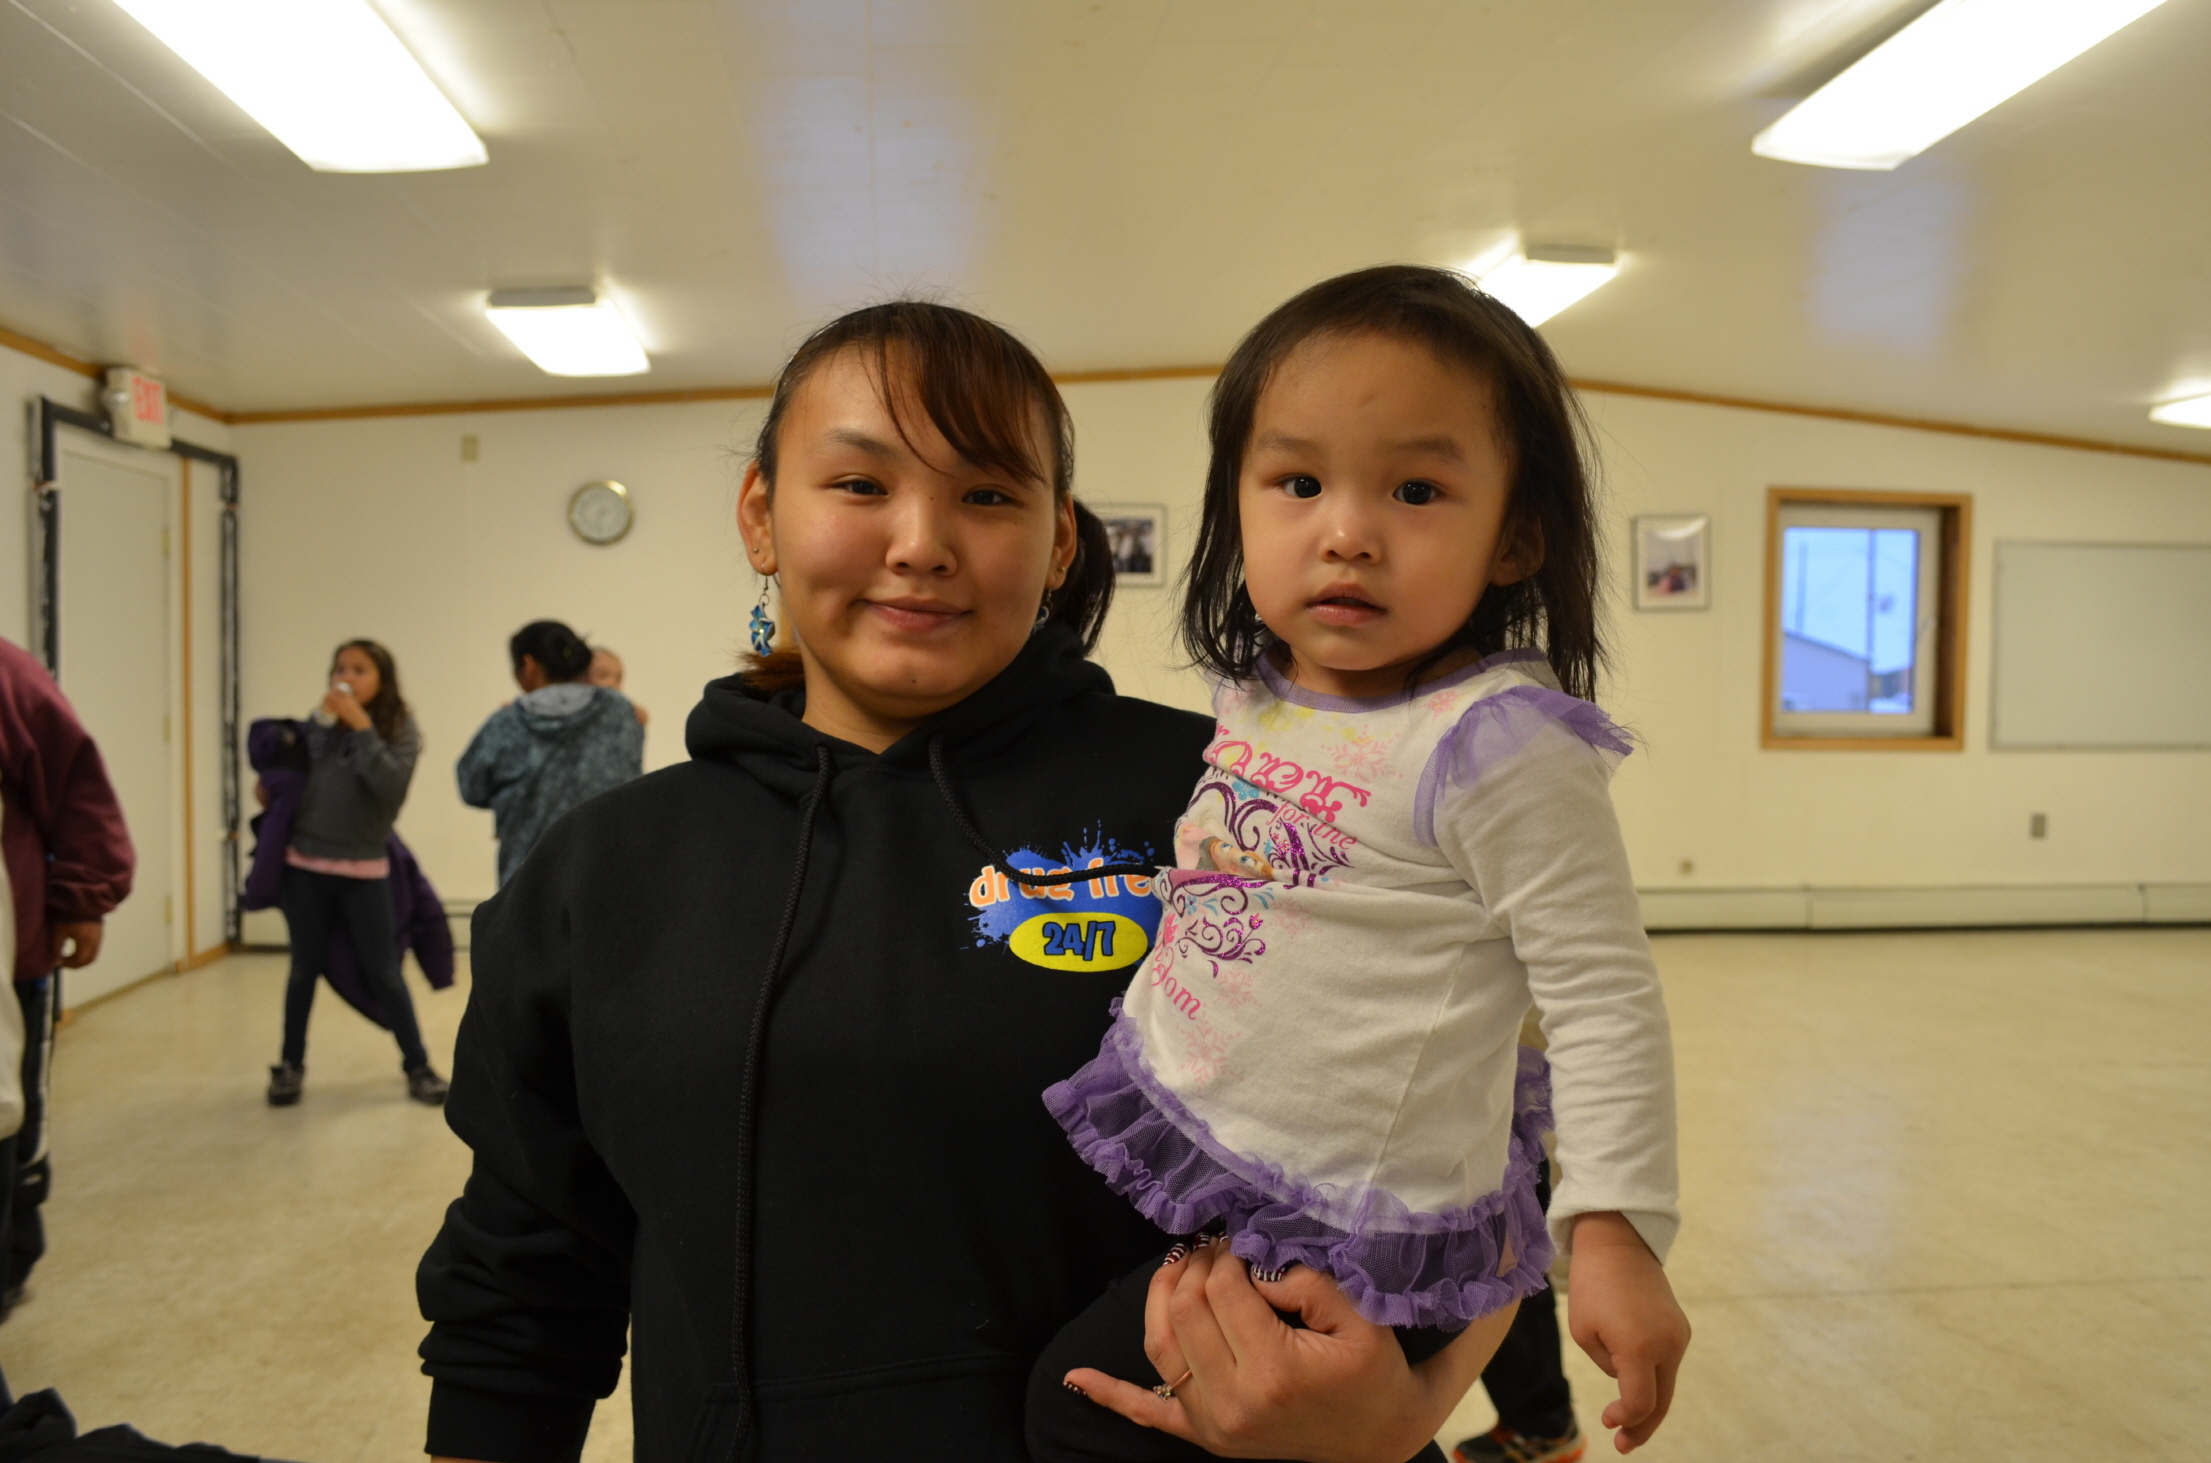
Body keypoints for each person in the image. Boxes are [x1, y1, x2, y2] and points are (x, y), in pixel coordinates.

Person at [418, 300, 1512, 1463]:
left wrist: (1407, 1408)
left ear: (1059, 541)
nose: (922, 542)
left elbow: (1480, 1137)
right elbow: (525, 1277)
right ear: (761, 514)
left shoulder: (1234, 801)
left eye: (987, 494)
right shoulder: (605, 872)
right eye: (860, 483)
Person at [1030, 265, 1689, 1460]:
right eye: (1298, 482)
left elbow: (1601, 996)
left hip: (1336, 1221)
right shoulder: (1264, 688)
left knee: (1076, 1412)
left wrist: (1614, 1232)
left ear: (1516, 536)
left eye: (1417, 489)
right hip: (1202, 1136)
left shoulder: (1496, 742)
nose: (1346, 531)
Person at [0, 637, 132, 1314]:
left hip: (10, 959)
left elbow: (76, 780)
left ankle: (12, 1248)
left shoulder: (7, 672)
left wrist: (82, 895)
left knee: (14, 1109)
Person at [267, 640, 446, 1107]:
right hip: (304, 866)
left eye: (359, 670)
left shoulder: (400, 729)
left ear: (382, 679)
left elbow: (389, 786)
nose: (345, 678)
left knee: (385, 971)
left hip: (365, 868)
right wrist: (272, 787)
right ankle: (290, 1065)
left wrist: (362, 726)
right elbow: (294, 783)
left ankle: (418, 1066)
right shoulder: (318, 726)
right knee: (302, 969)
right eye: (340, 668)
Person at [455, 622, 645, 887]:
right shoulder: (621, 711)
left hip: (527, 883)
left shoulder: (508, 721)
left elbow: (471, 787)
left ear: (528, 665)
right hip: (609, 879)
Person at [587, 646, 649, 727]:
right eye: (602, 675)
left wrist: (637, 713)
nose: (611, 683)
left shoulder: (618, 705)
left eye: (618, 679)